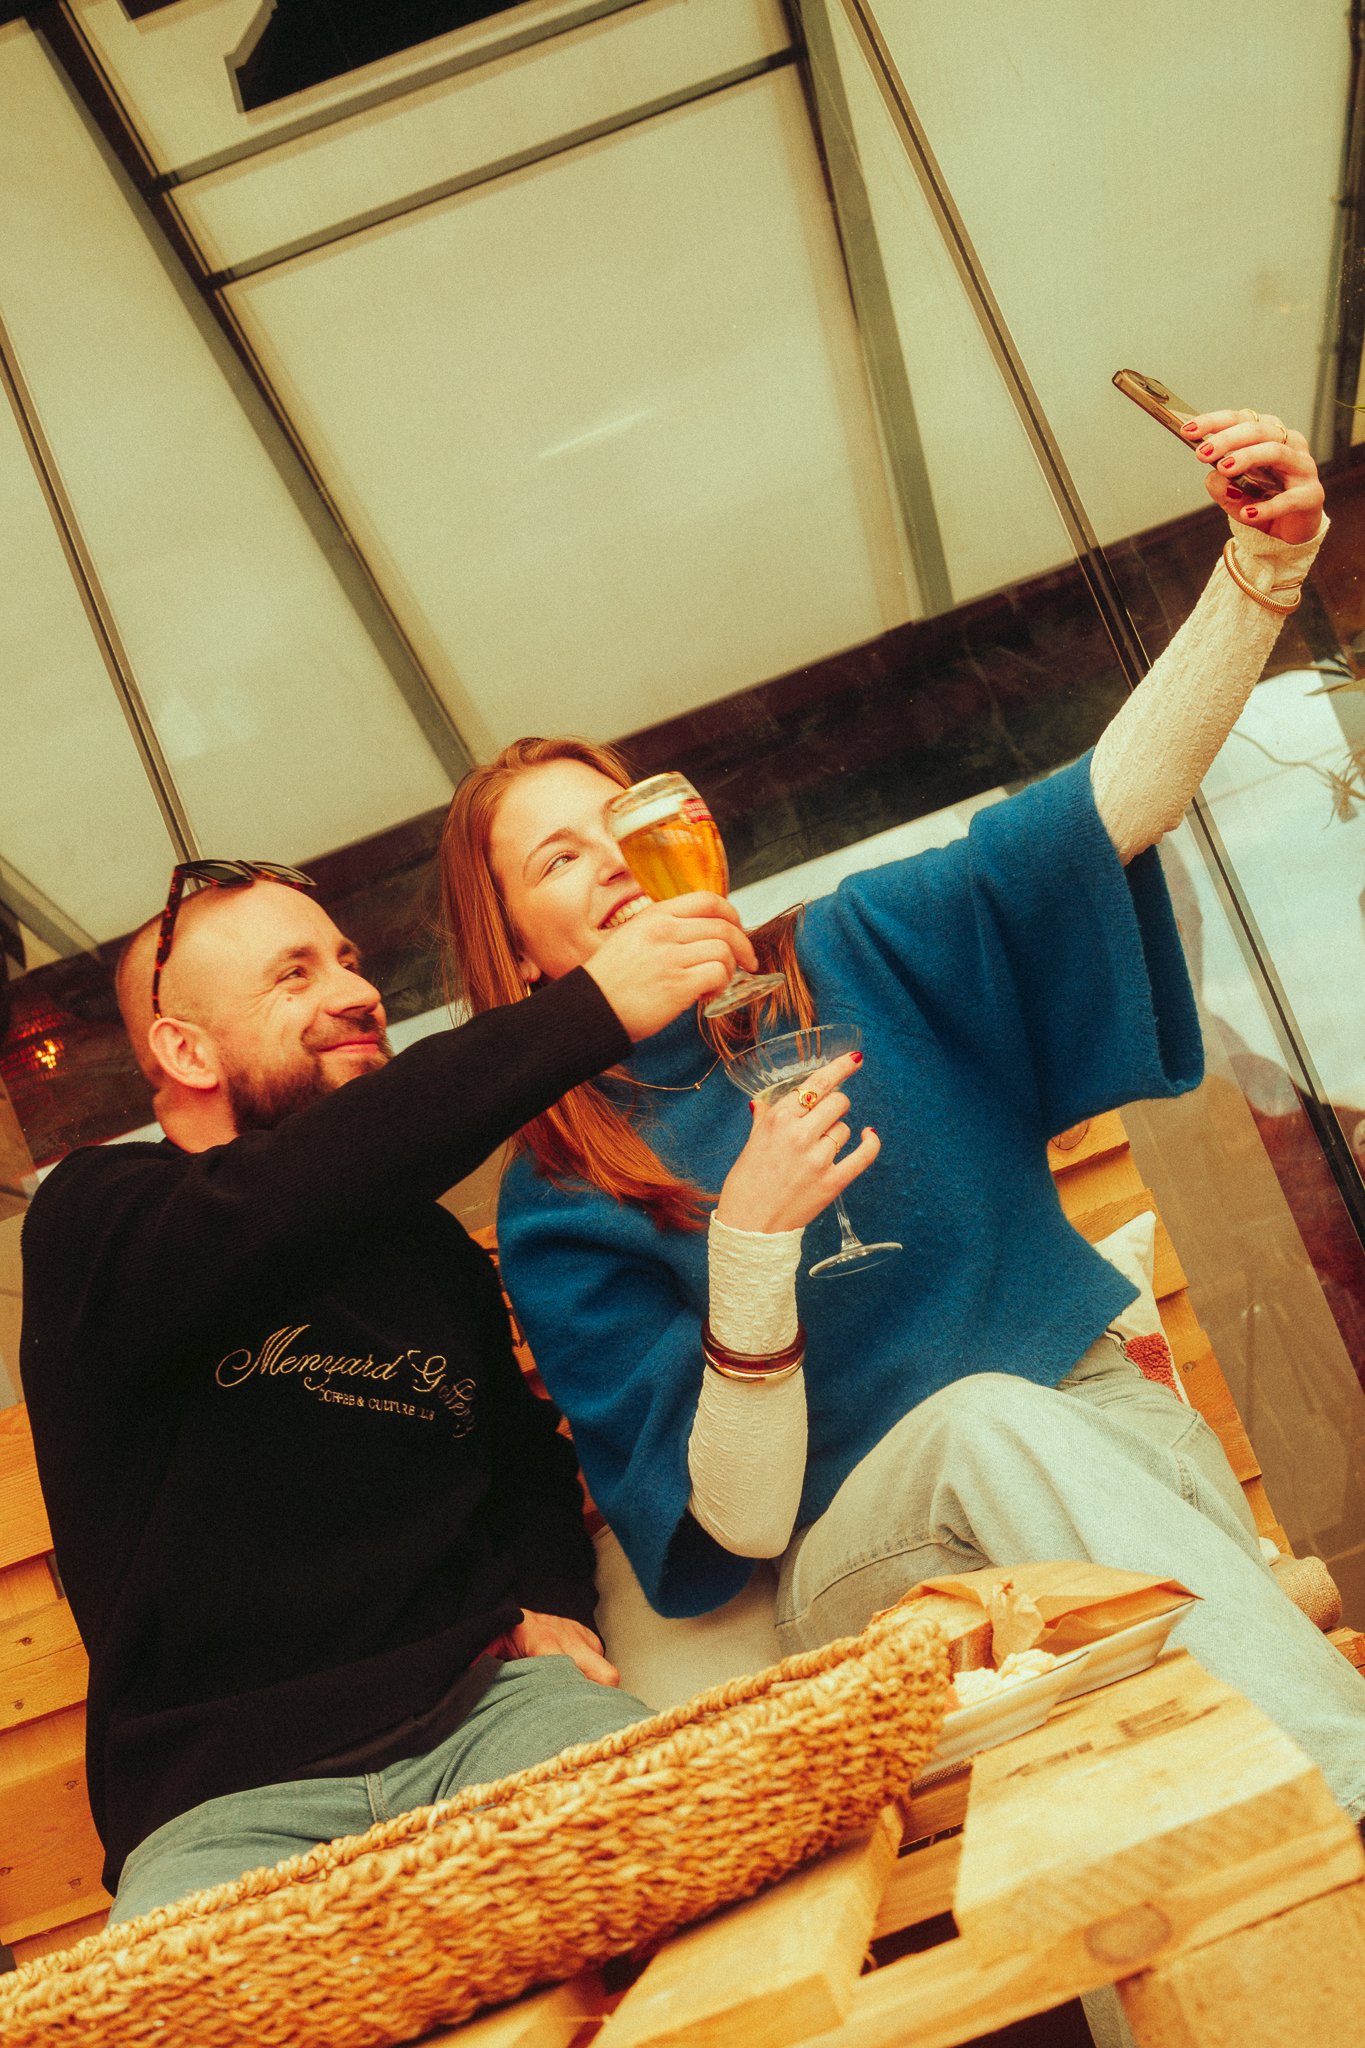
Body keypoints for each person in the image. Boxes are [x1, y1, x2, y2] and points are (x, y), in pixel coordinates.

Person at [440, 408, 1365, 1823]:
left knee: (1137, 1772)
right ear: (517, 950)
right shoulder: (565, 1197)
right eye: (560, 857)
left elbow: (1104, 806)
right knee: (985, 1428)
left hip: (1113, 1447)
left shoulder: (859, 950)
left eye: (625, 816)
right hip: (872, 1578)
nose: (617, 855)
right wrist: (747, 1244)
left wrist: (1260, 569)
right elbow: (733, 1535)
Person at [18, 855, 758, 1923]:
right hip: (221, 1805)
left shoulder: (427, 1250)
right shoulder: (98, 1218)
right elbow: (274, 1202)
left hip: (488, 1714)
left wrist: (549, 1601)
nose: (358, 990)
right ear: (183, 1048)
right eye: (295, 974)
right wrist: (590, 1009)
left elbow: (524, 1462)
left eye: (351, 961)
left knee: (715, 1882)